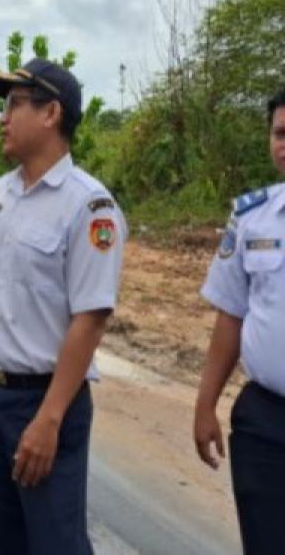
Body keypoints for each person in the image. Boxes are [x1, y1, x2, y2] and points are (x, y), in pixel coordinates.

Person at [0, 58, 126, 555]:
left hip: (44, 402)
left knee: (54, 542)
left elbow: (91, 318)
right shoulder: (1, 193)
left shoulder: (89, 207)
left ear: (51, 114)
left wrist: (49, 419)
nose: (3, 116)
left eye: (15, 104)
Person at [193, 88, 285, 555]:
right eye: (280, 133)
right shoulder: (252, 218)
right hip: (267, 422)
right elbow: (230, 314)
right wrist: (205, 404)